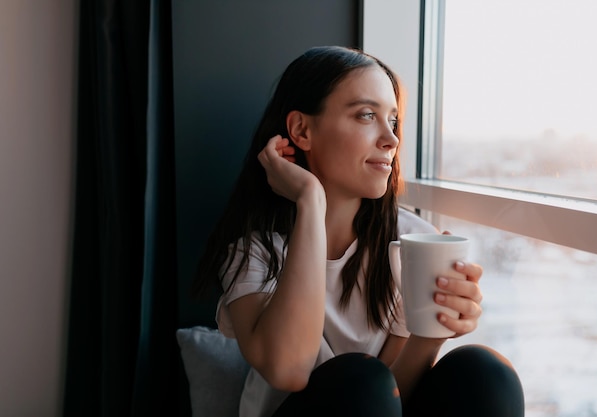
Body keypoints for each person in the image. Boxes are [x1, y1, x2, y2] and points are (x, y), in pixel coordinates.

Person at [193, 46, 525, 417]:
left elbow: (391, 397)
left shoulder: (410, 241)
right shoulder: (255, 252)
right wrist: (310, 200)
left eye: (393, 121)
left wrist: (430, 332)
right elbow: (288, 370)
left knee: (485, 373)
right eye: (367, 115)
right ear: (301, 130)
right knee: (362, 378)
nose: (392, 139)